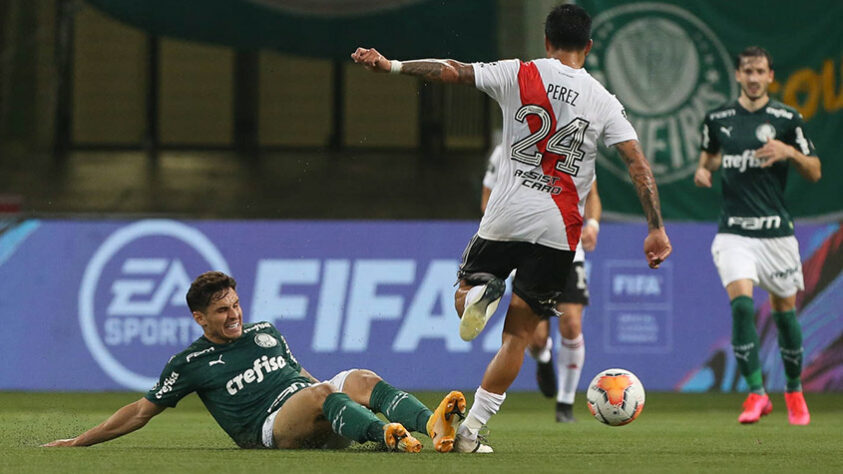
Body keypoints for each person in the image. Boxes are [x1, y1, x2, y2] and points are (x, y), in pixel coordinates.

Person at [351, 3, 671, 453]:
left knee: (464, 293)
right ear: (589, 47)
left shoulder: (519, 73)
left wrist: (394, 66)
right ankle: (470, 432)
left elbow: (453, 71)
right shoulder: (603, 100)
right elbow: (638, 166)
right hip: (560, 232)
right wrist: (655, 228)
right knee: (518, 337)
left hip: (506, 215)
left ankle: (480, 291)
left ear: (546, 41)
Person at [43, 271, 466, 452]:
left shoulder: (265, 331)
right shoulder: (189, 362)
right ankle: (388, 437)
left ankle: (433, 426)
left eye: (236, 305)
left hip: (307, 407)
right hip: (268, 429)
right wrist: (80, 441)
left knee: (361, 376)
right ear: (200, 317)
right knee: (323, 393)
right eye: (223, 310)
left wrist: (340, 403)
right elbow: (139, 412)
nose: (234, 315)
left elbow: (303, 379)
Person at [694, 46, 821, 425]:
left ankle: (795, 392)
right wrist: (704, 172)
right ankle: (756, 393)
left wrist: (789, 152)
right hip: (734, 232)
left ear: (770, 76)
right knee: (743, 306)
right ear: (738, 75)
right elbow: (710, 158)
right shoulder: (718, 119)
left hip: (776, 234)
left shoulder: (787, 119)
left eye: (760, 71)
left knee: (784, 317)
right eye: (747, 71)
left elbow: (814, 171)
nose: (753, 78)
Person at [482, 143, 601, 423]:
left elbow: (593, 195)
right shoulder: (507, 149)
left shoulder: (577, 147)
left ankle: (566, 403)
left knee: (571, 323)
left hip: (568, 249)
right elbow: (486, 197)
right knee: (534, 338)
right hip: (527, 251)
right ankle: (544, 356)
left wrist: (593, 224)